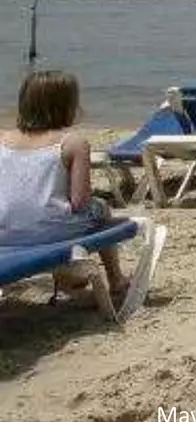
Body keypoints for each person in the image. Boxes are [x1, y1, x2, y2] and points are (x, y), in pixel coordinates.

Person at [1, 70, 128, 303]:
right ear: (66, 105)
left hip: (5, 232)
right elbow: (80, 202)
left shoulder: (2, 139)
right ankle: (116, 279)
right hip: (51, 230)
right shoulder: (73, 142)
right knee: (102, 209)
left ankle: (69, 276)